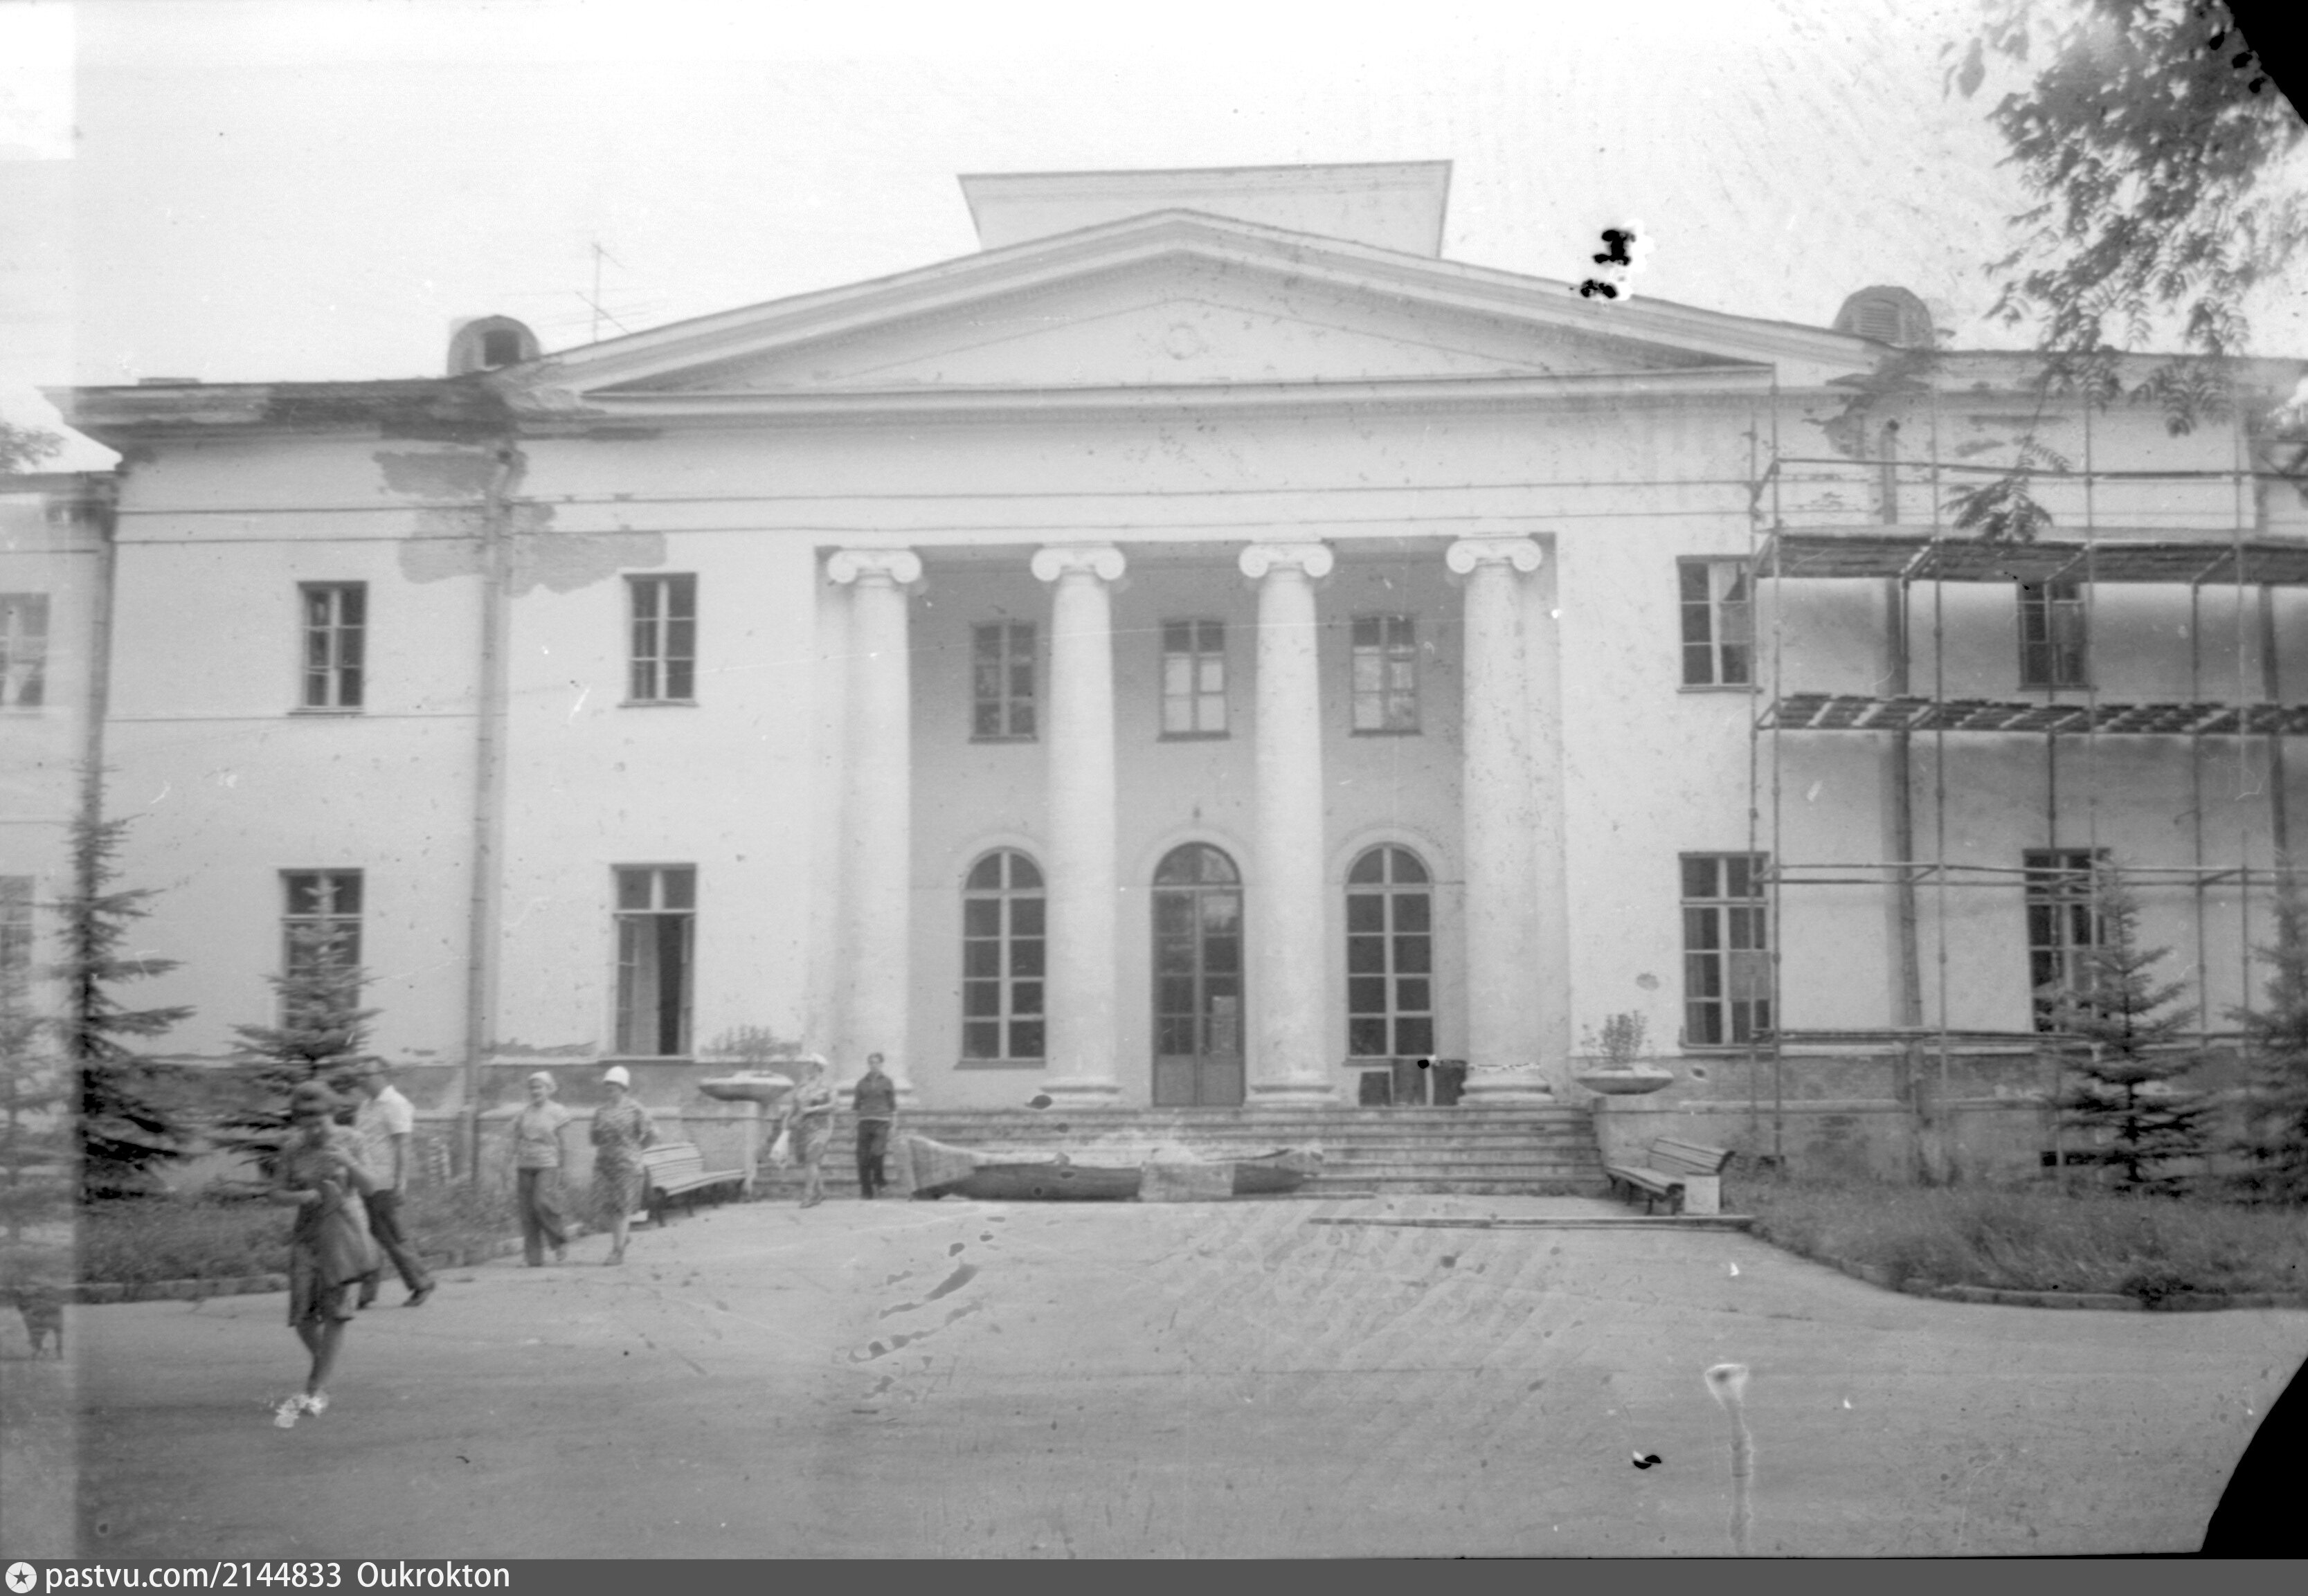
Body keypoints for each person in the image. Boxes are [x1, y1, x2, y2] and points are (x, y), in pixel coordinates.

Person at [271, 1080, 378, 1427]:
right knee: (302, 1316)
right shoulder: (292, 1148)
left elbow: (371, 1186)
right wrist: (299, 1197)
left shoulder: (353, 1140)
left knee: (335, 1313)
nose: (315, 1131)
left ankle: (316, 1387)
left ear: (333, 1113)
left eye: (321, 1123)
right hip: (307, 1236)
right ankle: (325, 1366)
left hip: (344, 1234)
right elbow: (276, 1192)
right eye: (307, 1125)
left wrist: (349, 1162)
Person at [348, 1059, 435, 1308]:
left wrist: (400, 1183)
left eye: (366, 1074)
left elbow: (402, 1146)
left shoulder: (396, 1104)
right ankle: (367, 1292)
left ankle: (421, 1281)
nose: (361, 1080)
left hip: (384, 1182)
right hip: (365, 1179)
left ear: (382, 1075)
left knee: (391, 1236)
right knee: (368, 1236)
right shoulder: (366, 1105)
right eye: (359, 1075)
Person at [588, 1064, 656, 1264]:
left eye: (615, 1084)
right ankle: (622, 1237)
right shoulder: (601, 1111)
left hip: (627, 1166)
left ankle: (617, 1252)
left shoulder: (635, 1109)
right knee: (607, 1206)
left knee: (622, 1207)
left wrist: (638, 1149)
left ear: (623, 1087)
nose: (610, 1087)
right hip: (604, 1165)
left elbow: (653, 1133)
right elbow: (594, 1138)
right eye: (608, 1084)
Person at [509, 1071, 573, 1266]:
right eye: (532, 1088)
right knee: (527, 1212)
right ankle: (533, 1257)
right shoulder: (524, 1113)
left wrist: (565, 1168)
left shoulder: (557, 1111)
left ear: (549, 1089)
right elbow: (515, 1140)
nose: (535, 1091)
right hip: (525, 1165)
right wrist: (507, 1164)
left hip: (548, 1165)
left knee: (542, 1203)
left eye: (539, 1087)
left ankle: (559, 1241)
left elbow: (564, 1143)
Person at [784, 1054, 836, 1208]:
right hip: (802, 1126)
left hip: (821, 1125)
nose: (807, 1067)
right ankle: (820, 1191)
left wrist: (814, 1109)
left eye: (810, 1065)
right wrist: (787, 1120)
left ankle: (808, 1196)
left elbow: (833, 1105)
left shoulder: (827, 1085)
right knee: (806, 1161)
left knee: (812, 1159)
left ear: (818, 1067)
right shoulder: (802, 1085)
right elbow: (794, 1105)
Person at [851, 1052, 897, 1198]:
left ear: (881, 1064)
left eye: (876, 1062)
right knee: (863, 1157)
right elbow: (856, 1105)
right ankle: (866, 1191)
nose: (873, 1065)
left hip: (882, 1121)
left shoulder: (887, 1082)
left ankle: (880, 1180)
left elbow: (892, 1105)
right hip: (865, 1121)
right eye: (871, 1062)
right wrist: (854, 1125)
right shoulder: (862, 1083)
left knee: (877, 1153)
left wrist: (894, 1124)